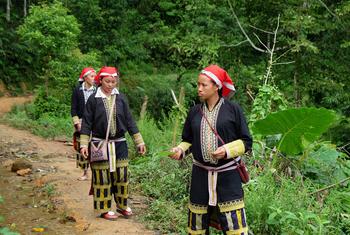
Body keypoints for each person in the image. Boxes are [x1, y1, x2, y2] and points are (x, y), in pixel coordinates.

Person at [169, 65, 252, 234]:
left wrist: (227, 150)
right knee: (197, 223)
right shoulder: (194, 112)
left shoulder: (233, 109)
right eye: (198, 84)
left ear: (217, 86)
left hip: (228, 176)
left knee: (234, 225)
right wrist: (179, 150)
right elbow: (188, 140)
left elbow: (246, 141)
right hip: (200, 176)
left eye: (204, 85)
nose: (199, 89)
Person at [80, 66, 146, 220]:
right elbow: (87, 123)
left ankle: (122, 206)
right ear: (100, 81)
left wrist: (139, 141)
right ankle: (103, 209)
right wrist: (84, 144)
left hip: (120, 143)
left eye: (113, 81)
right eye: (107, 81)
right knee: (102, 176)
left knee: (122, 176)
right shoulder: (93, 99)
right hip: (99, 143)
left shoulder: (121, 98)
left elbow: (129, 121)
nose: (110, 84)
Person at [71, 67, 96, 181]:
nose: (94, 78)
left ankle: (96, 171)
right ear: (85, 77)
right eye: (91, 76)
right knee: (82, 147)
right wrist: (77, 123)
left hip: (95, 122)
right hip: (81, 122)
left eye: (94, 76)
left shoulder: (97, 90)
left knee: (95, 147)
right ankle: (85, 172)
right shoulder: (77, 90)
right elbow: (73, 108)